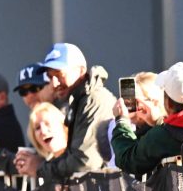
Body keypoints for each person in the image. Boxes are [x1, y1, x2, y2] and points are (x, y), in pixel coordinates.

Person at [14, 43, 115, 180]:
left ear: (81, 71)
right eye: (50, 77)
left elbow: (84, 162)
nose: (54, 83)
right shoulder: (78, 101)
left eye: (59, 74)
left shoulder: (93, 100)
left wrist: (40, 168)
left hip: (108, 189)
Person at [110, 62, 183, 177]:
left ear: (168, 103)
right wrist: (158, 122)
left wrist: (121, 121)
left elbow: (128, 160)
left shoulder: (161, 136)